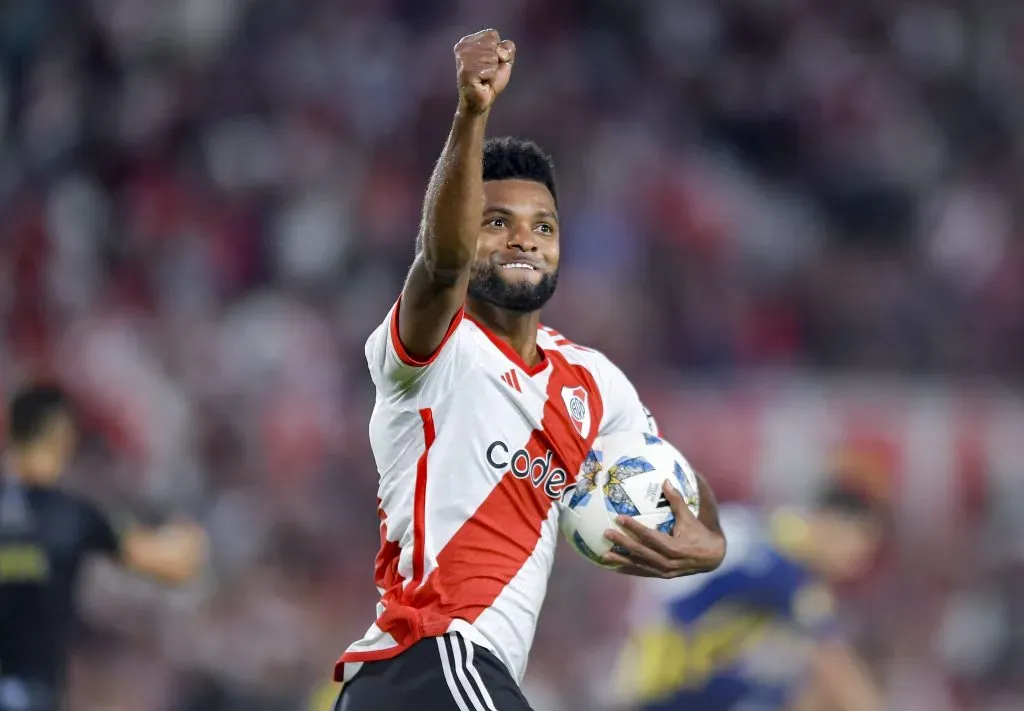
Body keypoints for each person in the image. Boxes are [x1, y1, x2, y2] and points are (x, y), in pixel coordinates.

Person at [334, 29, 727, 711]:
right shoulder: (435, 349)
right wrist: (471, 115)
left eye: (543, 226)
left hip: (437, 685)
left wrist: (710, 542)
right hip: (435, 657)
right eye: (497, 221)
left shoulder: (595, 383)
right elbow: (442, 262)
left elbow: (670, 475)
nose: (523, 237)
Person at [0, 383, 207, 711]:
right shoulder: (71, 514)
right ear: (61, 433)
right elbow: (171, 564)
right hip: (32, 691)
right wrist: (191, 531)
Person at [611, 479, 887, 711]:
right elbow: (835, 667)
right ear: (832, 522)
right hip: (666, 691)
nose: (859, 562)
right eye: (861, 545)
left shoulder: (766, 530)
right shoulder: (784, 558)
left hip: (669, 678)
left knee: (786, 683)